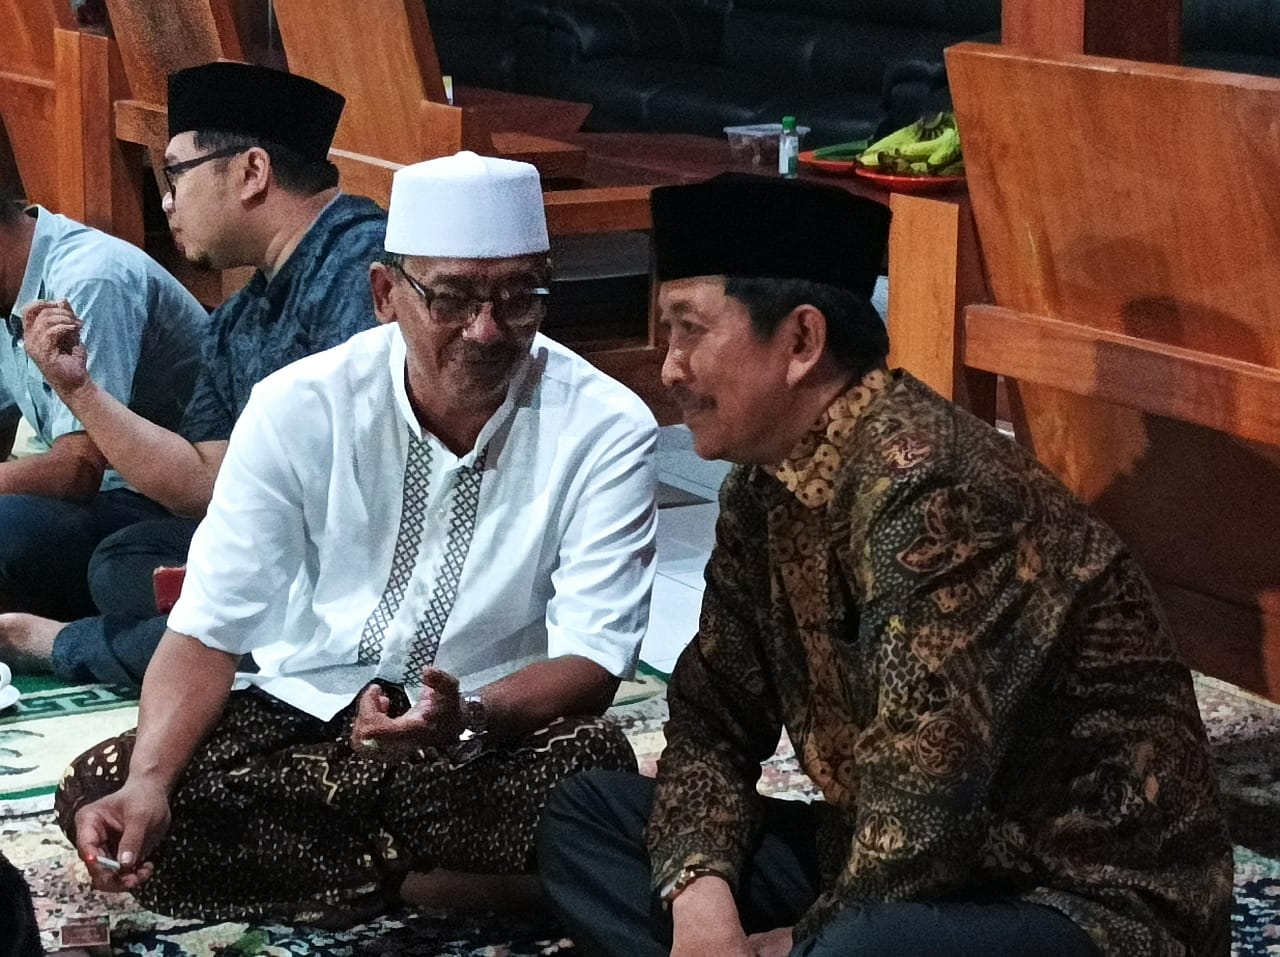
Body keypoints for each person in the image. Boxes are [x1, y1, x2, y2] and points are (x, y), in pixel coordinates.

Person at [536, 175, 1234, 957]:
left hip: (1077, 899)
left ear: (802, 341)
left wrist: (799, 941)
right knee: (587, 817)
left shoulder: (937, 487)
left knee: (863, 946)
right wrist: (703, 914)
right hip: (894, 873)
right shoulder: (761, 490)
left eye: (690, 330)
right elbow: (711, 721)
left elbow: (925, 806)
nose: (670, 368)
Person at [54, 150, 659, 924]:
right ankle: (426, 883)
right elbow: (207, 626)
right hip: (308, 713)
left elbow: (594, 659)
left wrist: (466, 716)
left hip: (486, 731)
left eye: (519, 298)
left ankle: (358, 874)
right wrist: (148, 782)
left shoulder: (606, 426)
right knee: (105, 781)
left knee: (589, 764)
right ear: (384, 295)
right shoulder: (297, 406)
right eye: (452, 298)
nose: (486, 329)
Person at [3, 61, 386, 685]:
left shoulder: (365, 267)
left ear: (252, 172)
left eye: (176, 173)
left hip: (356, 550)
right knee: (121, 561)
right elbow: (204, 485)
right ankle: (204, 632)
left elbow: (351, 484)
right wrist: (80, 390)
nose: (167, 200)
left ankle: (74, 643)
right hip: (270, 543)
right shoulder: (239, 316)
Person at [0, 179, 207, 636]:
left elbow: (78, 471)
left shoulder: (89, 278)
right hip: (108, 501)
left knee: (7, 528)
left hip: (172, 509)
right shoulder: (7, 289)